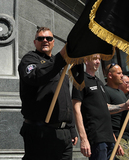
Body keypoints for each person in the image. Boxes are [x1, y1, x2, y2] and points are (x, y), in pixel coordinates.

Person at [18, 26, 78, 160]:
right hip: (41, 131)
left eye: (49, 38)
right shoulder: (29, 59)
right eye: (40, 38)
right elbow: (35, 75)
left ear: (53, 42)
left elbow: (66, 100)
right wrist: (62, 57)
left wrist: (71, 128)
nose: (45, 40)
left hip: (64, 134)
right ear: (35, 42)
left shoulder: (58, 66)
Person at [72, 54, 115, 159]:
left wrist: (124, 106)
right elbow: (76, 108)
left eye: (99, 59)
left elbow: (105, 108)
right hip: (96, 137)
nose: (98, 61)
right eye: (95, 59)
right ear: (86, 60)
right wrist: (84, 139)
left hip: (109, 138)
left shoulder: (100, 82)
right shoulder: (80, 80)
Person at [104, 64, 129, 160]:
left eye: (122, 73)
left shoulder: (121, 92)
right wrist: (115, 142)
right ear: (110, 75)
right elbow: (105, 115)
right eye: (119, 73)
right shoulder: (105, 91)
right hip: (120, 139)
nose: (121, 75)